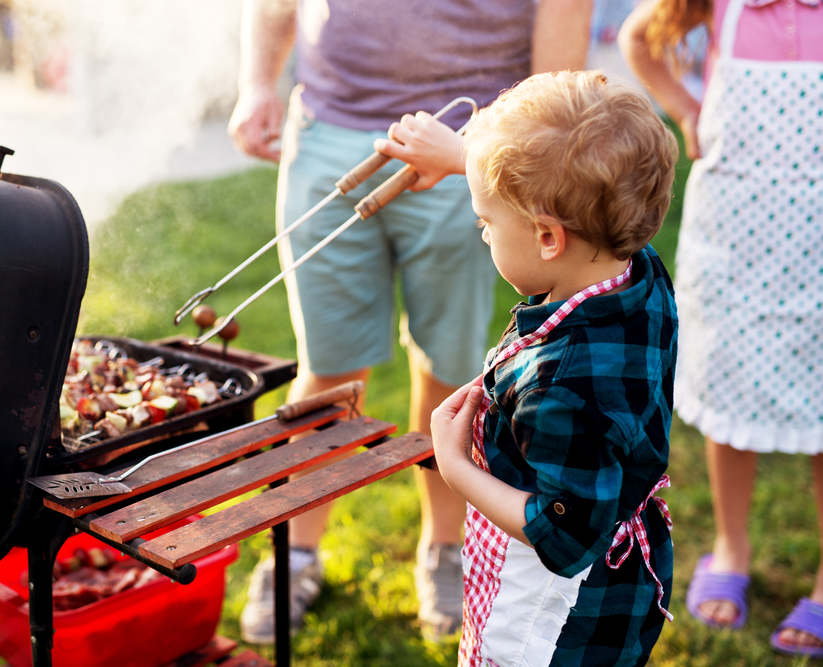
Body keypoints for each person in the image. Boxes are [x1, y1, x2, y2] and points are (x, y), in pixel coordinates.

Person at [227, 0, 593, 644]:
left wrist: (488, 154)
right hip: (327, 130)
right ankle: (296, 553)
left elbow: (558, 72)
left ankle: (445, 550)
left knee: (452, 369)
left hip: (470, 145)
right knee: (329, 364)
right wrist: (258, 82)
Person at [430, 70, 679, 666]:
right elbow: (584, 185)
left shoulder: (563, 384)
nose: (485, 234)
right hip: (623, 581)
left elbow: (565, 539)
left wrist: (454, 466)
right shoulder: (632, 268)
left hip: (554, 616)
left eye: (486, 223)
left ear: (547, 237)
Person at [620, 0, 823, 656]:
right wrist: (684, 106)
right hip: (740, 237)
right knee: (732, 390)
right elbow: (638, 39)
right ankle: (730, 546)